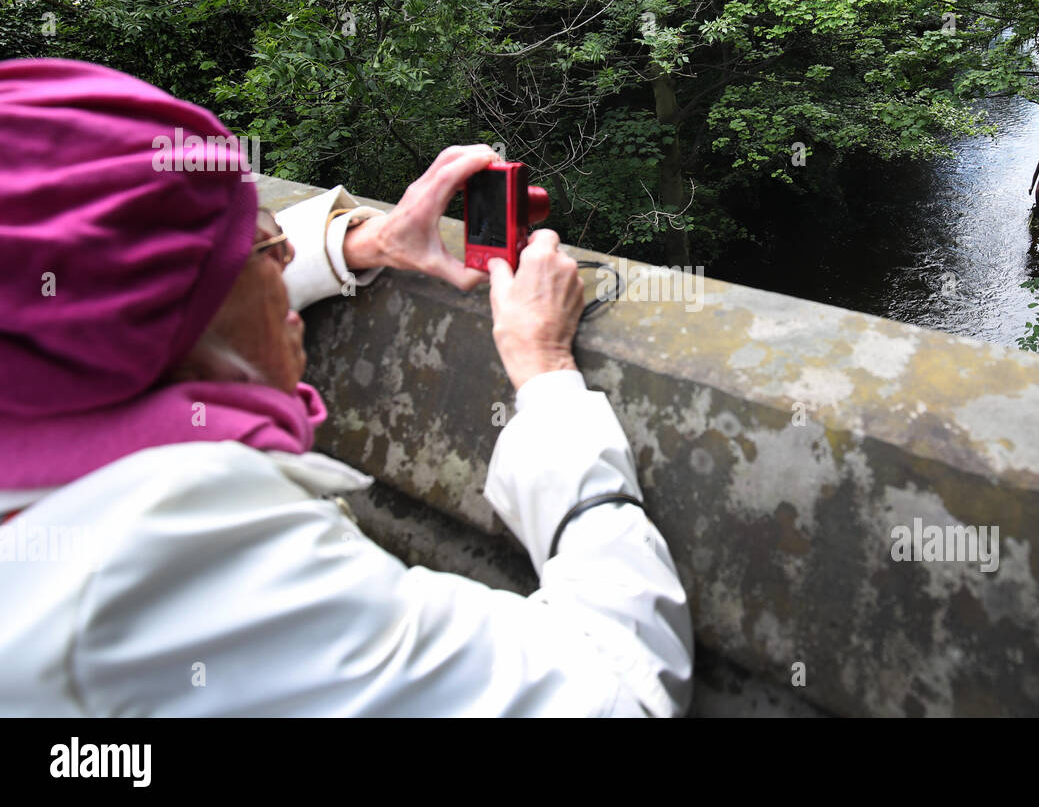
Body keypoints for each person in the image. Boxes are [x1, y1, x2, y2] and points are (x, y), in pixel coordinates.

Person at [0, 58, 692, 716]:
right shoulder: (183, 554)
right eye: (262, 243)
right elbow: (616, 691)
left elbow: (128, 301)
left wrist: (364, 242)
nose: (289, 252)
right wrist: (546, 379)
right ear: (185, 317)